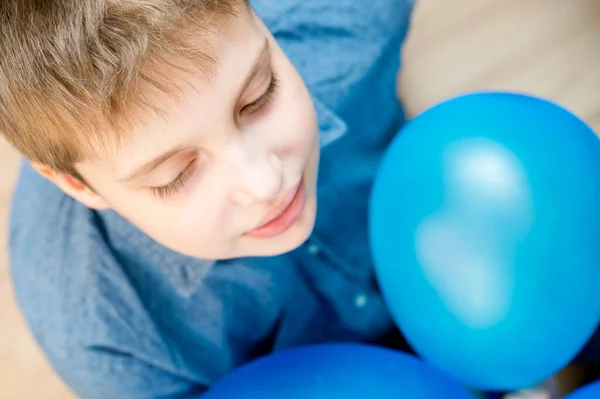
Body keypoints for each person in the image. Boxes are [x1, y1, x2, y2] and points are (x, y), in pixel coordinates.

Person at [3, 0, 415, 397]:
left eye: (259, 95)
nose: (265, 183)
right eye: (176, 175)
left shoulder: (352, 22)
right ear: (81, 186)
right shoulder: (107, 339)